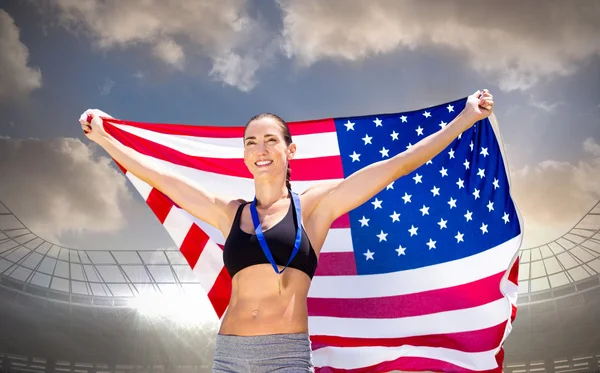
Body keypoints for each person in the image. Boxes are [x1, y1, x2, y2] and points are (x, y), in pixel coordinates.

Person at [79, 89, 494, 372]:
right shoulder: (230, 212)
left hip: (286, 356)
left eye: (269, 140)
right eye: (250, 142)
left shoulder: (314, 207)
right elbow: (161, 177)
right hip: (229, 352)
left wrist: (464, 119)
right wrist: (105, 140)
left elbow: (394, 166)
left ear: (289, 149)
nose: (259, 150)